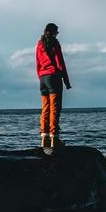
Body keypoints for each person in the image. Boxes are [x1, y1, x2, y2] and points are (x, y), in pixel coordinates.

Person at [36, 22, 72, 154]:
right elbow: (60, 63)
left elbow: (38, 63)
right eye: (57, 32)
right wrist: (66, 81)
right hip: (53, 77)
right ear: (53, 32)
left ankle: (44, 138)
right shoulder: (54, 43)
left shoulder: (40, 44)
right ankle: (54, 139)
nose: (57, 35)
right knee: (55, 108)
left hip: (43, 79)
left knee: (45, 108)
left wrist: (41, 77)